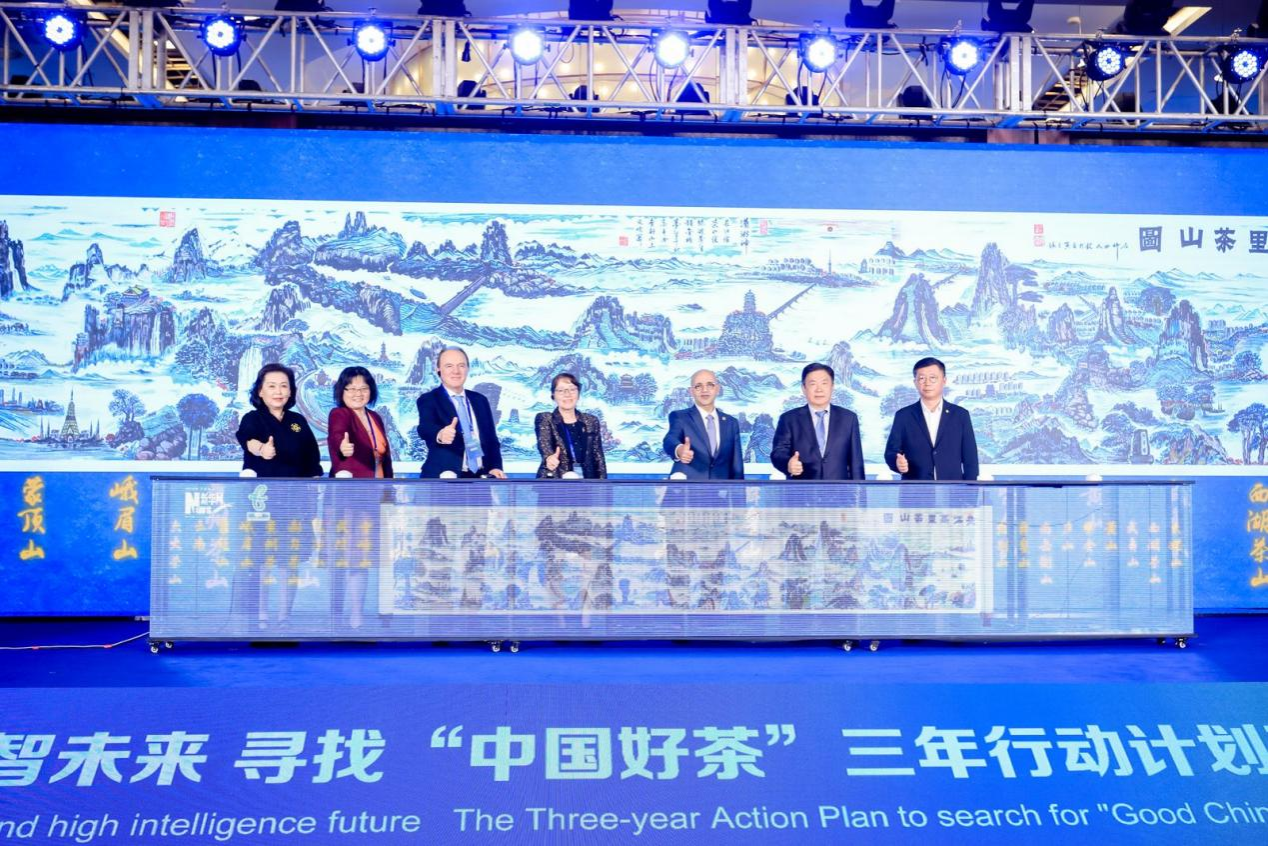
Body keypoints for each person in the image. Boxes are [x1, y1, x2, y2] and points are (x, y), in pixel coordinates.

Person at [416, 346, 505, 478]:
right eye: (449, 366)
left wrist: (495, 466)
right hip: (444, 478)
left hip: (480, 478)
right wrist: (440, 434)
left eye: (461, 366)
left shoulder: (480, 400)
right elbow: (425, 427)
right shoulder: (429, 399)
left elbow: (491, 439)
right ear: (438, 369)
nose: (456, 371)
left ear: (467, 369)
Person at [884, 357, 979, 480]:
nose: (927, 383)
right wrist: (896, 462)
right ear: (915, 382)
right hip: (914, 488)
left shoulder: (960, 415)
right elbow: (891, 452)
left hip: (952, 488)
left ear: (944, 381)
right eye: (922, 378)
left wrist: (970, 489)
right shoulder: (904, 415)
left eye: (933, 378)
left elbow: (970, 458)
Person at [771, 362, 865, 481]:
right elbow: (778, 452)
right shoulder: (789, 419)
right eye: (813, 384)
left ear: (832, 387)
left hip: (839, 490)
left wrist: (860, 490)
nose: (819, 389)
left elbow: (856, 462)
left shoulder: (849, 418)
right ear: (804, 388)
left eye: (824, 383)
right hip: (801, 490)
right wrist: (788, 463)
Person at [236, 362, 322, 478]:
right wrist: (261, 449)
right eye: (272, 386)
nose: (278, 392)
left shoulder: (298, 420)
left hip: (298, 486)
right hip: (262, 486)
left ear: (290, 391)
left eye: (284, 386)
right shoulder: (252, 418)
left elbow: (312, 455)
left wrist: (315, 482)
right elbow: (248, 442)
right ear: (260, 391)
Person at [662, 368, 744, 480]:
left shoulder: (731, 423)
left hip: (721, 489)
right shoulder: (680, 417)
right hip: (688, 488)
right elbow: (670, 439)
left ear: (717, 389)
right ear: (691, 391)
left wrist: (740, 489)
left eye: (710, 385)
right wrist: (679, 450)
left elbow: (737, 466)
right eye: (698, 386)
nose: (704, 390)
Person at [534, 372, 608, 479]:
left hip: (587, 481)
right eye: (561, 390)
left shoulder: (591, 421)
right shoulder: (545, 418)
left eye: (572, 389)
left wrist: (603, 484)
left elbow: (598, 457)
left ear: (578, 394)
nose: (567, 394)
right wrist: (549, 458)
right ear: (553, 395)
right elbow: (544, 444)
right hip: (555, 479)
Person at [327, 366, 394, 479]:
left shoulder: (375, 416)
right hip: (353, 485)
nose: (358, 393)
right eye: (352, 389)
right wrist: (342, 447)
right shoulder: (339, 414)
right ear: (341, 391)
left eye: (364, 388)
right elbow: (337, 434)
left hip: (381, 482)